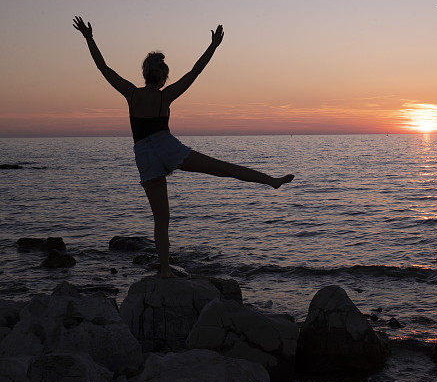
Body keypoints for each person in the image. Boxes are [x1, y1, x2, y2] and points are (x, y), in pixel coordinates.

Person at [73, 16, 294, 278]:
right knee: (223, 169)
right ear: (164, 75)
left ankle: (164, 270)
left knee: (161, 220)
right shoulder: (165, 96)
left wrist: (89, 37)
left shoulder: (131, 94)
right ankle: (270, 181)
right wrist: (213, 46)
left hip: (144, 155)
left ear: (145, 73)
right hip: (166, 147)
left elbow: (103, 68)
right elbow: (194, 72)